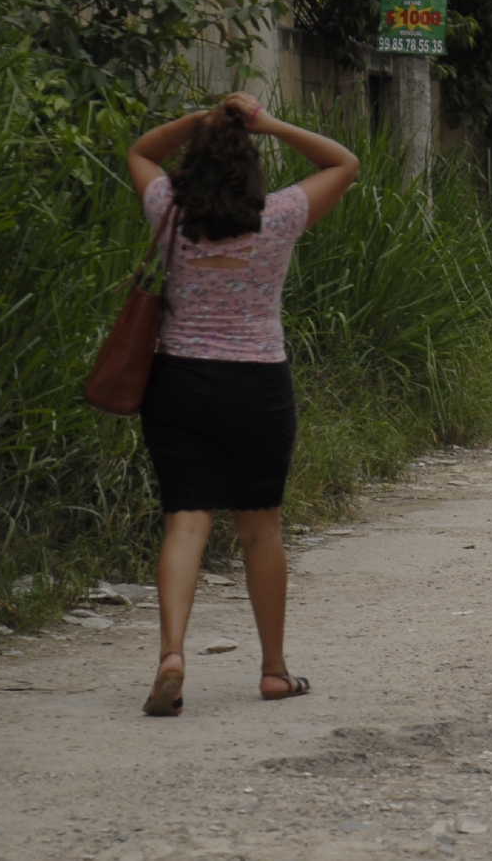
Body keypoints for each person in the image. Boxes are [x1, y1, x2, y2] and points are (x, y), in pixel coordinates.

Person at [127, 92, 360, 717]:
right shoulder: (282, 214)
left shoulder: (167, 210)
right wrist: (269, 124)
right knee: (260, 529)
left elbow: (143, 151)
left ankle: (172, 655)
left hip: (179, 382)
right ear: (253, 170)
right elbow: (344, 163)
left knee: (186, 520)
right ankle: (274, 671)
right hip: (258, 386)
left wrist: (200, 122)